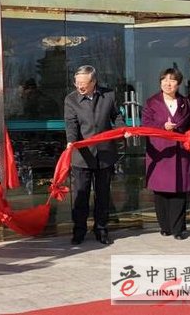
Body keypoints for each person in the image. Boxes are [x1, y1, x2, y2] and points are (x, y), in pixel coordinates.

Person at [141, 67, 190, 240]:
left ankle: (178, 228)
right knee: (161, 192)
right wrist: (162, 127)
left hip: (181, 152)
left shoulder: (185, 102)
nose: (168, 83)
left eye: (172, 80)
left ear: (178, 84)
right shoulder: (151, 102)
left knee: (180, 191)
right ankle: (165, 226)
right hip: (160, 152)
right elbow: (145, 125)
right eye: (164, 80)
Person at [64, 65, 120, 245]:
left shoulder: (109, 95)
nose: (80, 87)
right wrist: (71, 141)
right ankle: (79, 230)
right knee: (81, 195)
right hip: (82, 155)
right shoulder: (71, 99)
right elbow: (71, 124)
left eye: (84, 83)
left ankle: (101, 229)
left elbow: (116, 116)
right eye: (77, 83)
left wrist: (123, 130)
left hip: (105, 153)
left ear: (94, 82)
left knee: (103, 195)